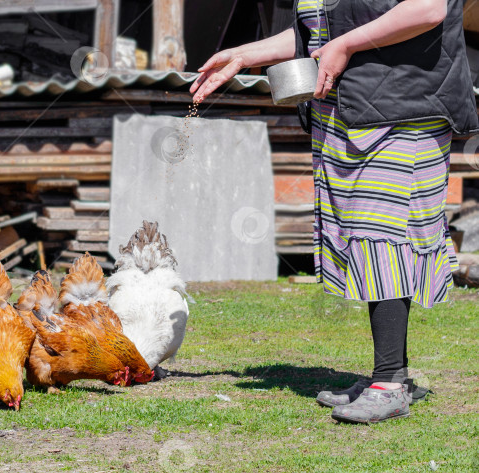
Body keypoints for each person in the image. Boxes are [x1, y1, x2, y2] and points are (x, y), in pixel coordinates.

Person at [191, 0, 478, 424]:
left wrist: (345, 45)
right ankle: (391, 373)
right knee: (368, 241)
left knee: (385, 237)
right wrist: (245, 54)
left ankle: (391, 383)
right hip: (351, 110)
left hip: (403, 108)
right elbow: (315, 33)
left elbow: (429, 7)